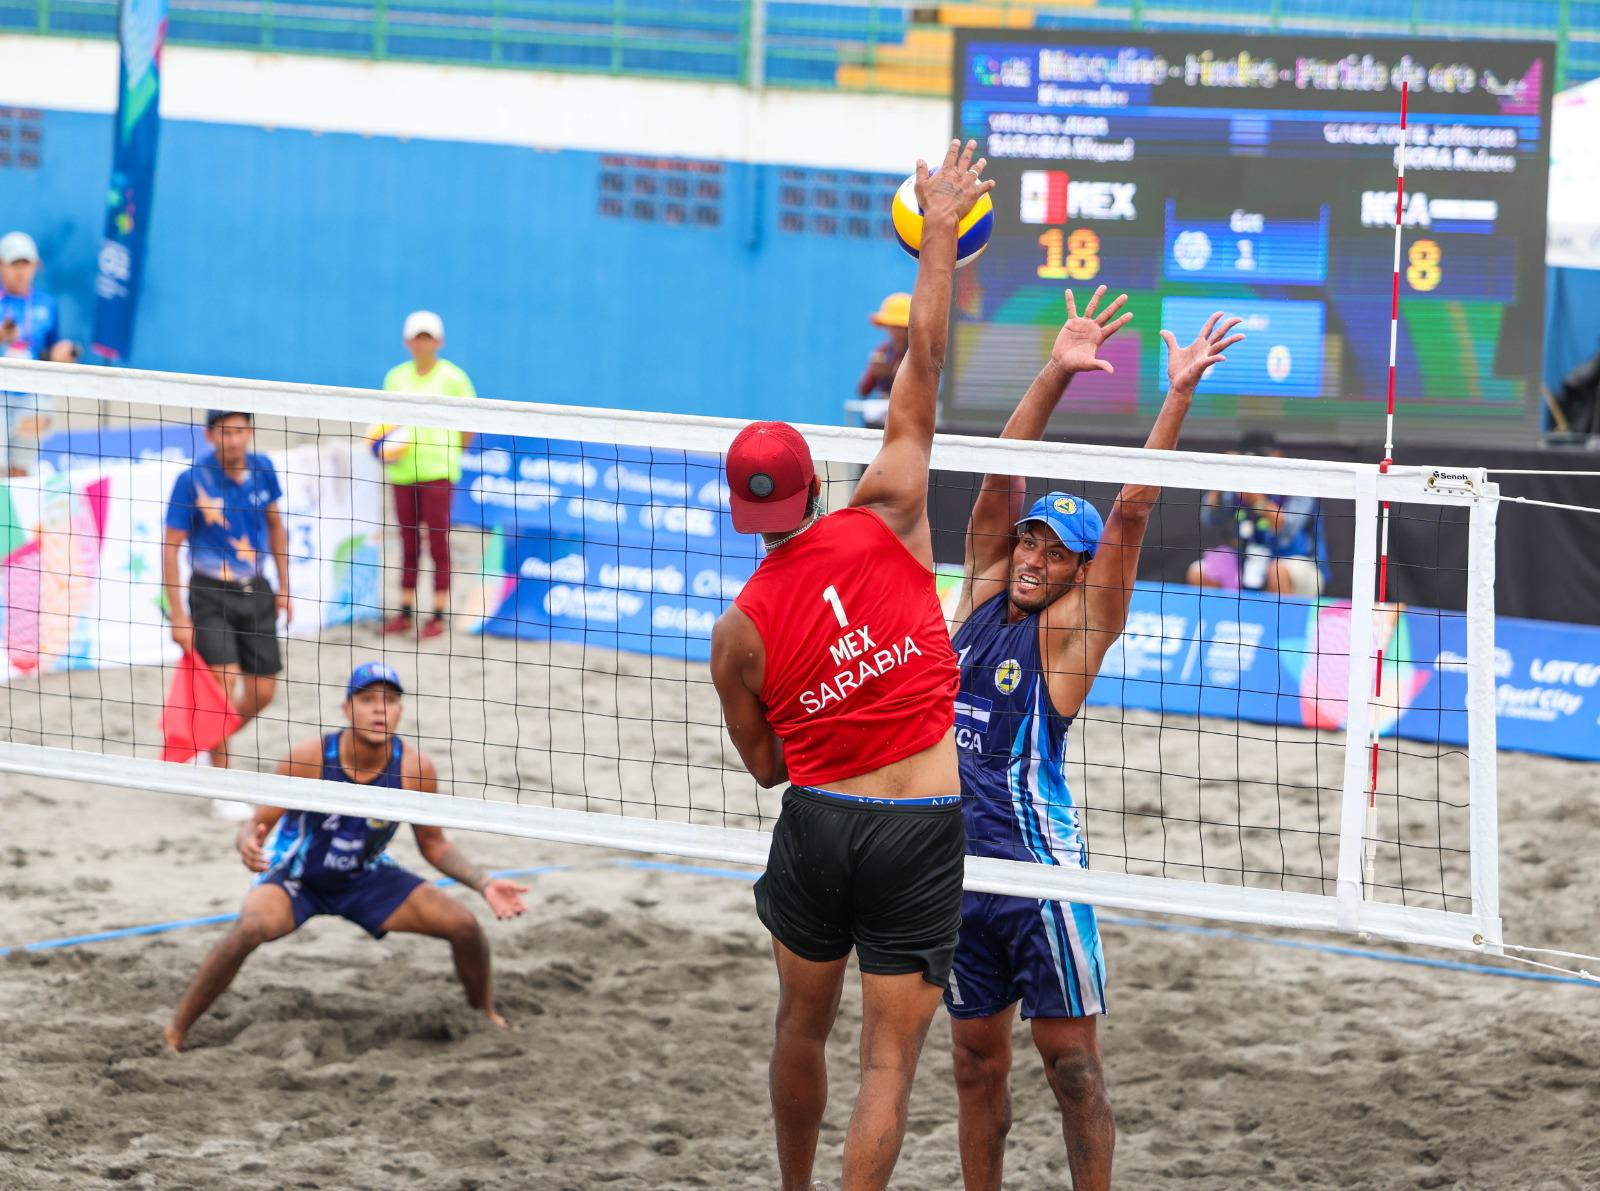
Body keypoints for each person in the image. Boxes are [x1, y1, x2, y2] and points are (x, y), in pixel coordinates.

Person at [709, 139, 992, 1191]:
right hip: (918, 823)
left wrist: (826, 697)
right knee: (887, 1061)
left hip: (820, 819)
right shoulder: (891, 508)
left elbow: (766, 766)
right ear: (816, 488)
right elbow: (924, 359)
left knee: (799, 1025)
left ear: (747, 515)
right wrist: (942, 231)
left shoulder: (736, 630)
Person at [944, 297, 1244, 1191]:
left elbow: (1134, 511)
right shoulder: (982, 598)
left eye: (1054, 549)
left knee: (1072, 1071)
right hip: (956, 870)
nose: (1033, 554)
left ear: (1080, 572)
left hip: (1038, 874)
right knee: (972, 1065)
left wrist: (1177, 393)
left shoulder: (1071, 635)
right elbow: (998, 479)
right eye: (1029, 539)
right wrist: (1058, 370)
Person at [163, 662, 529, 1050]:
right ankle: (177, 1030)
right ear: (347, 709)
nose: (378, 709)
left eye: (389, 701)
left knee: (464, 926)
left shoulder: (415, 769)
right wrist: (246, 845)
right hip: (297, 876)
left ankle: (483, 1013)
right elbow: (256, 824)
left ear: (400, 711)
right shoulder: (308, 758)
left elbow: (434, 844)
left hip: (364, 876)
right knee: (250, 928)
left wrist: (484, 883)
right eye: (367, 699)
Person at [162, 410, 291, 810]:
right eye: (224, 432)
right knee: (223, 683)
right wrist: (178, 615)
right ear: (209, 434)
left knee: (263, 692)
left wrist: (285, 587)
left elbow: (275, 526)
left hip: (256, 591)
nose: (232, 440)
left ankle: (208, 740)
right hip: (209, 593)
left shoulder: (263, 468)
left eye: (239, 431)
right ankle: (223, 786)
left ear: (250, 432)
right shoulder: (191, 480)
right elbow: (171, 547)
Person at [378, 310, 477, 639]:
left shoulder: (453, 378)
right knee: (407, 541)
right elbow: (385, 425)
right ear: (407, 342)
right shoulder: (395, 377)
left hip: (438, 470)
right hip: (403, 470)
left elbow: (469, 424)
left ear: (439, 342)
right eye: (417, 337)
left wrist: (452, 454)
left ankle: (437, 614)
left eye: (428, 337)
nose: (422, 343)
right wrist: (383, 449)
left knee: (437, 541)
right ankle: (404, 611)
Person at [1186, 429, 1325, 596]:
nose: (1257, 464)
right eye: (1251, 459)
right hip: (1246, 559)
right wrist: (1222, 476)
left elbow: (1286, 528)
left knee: (1278, 572)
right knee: (1199, 572)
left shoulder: (1298, 485)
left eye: (1261, 458)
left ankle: (1281, 622)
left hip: (1295, 561)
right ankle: (1221, 621)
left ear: (1278, 455)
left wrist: (1256, 500)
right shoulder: (1241, 483)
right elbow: (1209, 518)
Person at [0, 230, 77, 476]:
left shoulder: (47, 304)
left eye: (26, 264)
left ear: (36, 266)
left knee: (20, 471)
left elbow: (50, 351)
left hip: (30, 395)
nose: (20, 271)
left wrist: (60, 355)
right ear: (2, 265)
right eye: (14, 264)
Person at [857, 291, 911, 399]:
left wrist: (890, 374)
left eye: (899, 326)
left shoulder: (917, 353)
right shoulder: (883, 351)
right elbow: (863, 391)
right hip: (884, 409)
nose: (894, 331)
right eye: (890, 326)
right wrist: (874, 372)